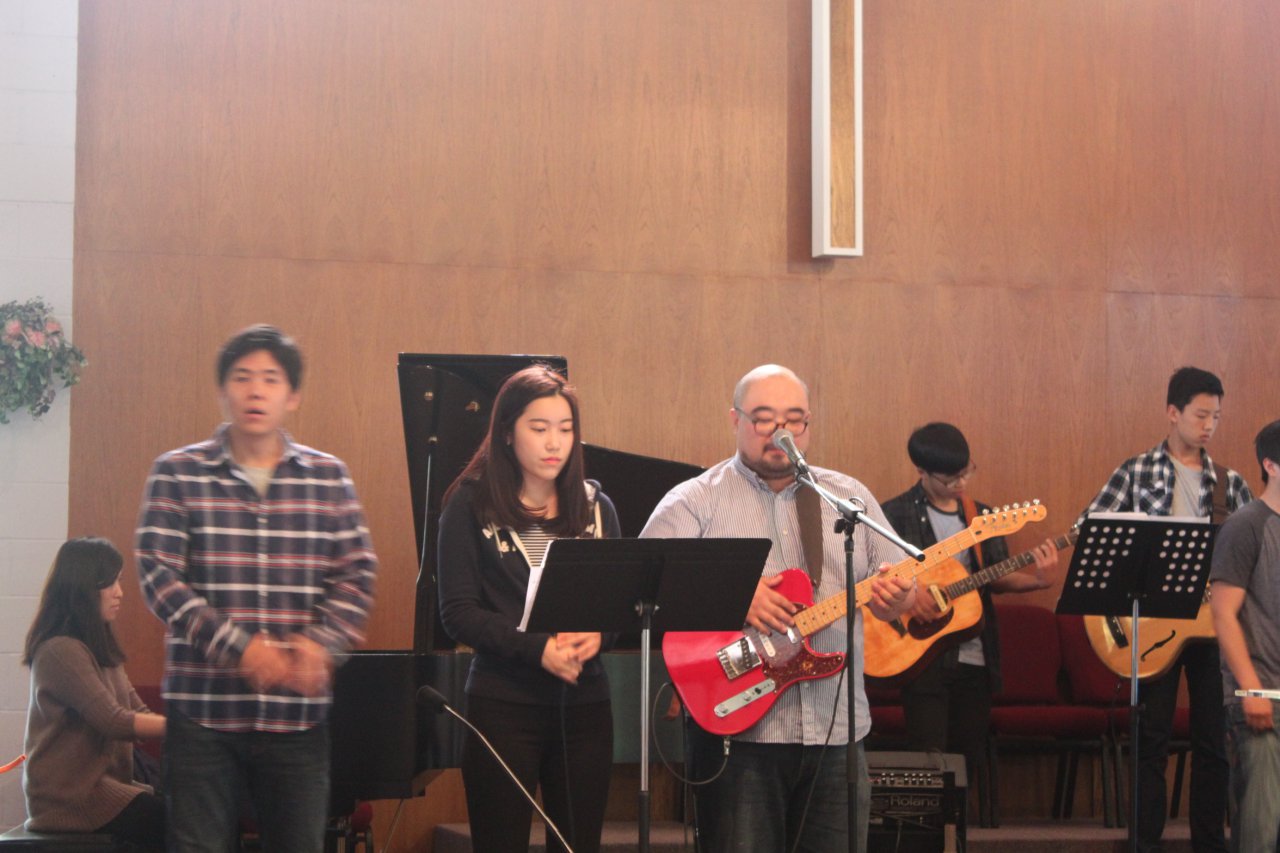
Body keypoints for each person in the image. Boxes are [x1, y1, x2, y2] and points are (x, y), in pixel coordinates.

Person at [640, 363, 916, 853]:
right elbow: (644, 591)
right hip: (740, 736)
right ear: (736, 420)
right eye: (764, 418)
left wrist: (900, 597)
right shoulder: (693, 501)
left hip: (836, 734)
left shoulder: (848, 498)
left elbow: (899, 587)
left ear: (808, 423)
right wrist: (734, 596)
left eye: (794, 420)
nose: (779, 432)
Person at [135, 324, 378, 853]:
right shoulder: (177, 472)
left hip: (297, 717)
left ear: (293, 395)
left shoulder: (327, 477)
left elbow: (357, 574)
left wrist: (323, 643)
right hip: (202, 712)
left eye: (271, 379)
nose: (255, 390)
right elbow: (159, 576)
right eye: (242, 377)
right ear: (223, 390)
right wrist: (239, 648)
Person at [437, 365, 621, 853]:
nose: (554, 443)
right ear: (506, 432)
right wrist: (537, 649)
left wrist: (599, 635)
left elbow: (619, 607)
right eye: (539, 429)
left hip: (585, 706)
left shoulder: (596, 507)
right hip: (503, 704)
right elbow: (458, 612)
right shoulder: (469, 504)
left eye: (565, 429)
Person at [1082, 366, 1252, 853]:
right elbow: (1092, 530)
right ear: (1173, 413)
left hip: (1211, 630)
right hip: (1150, 625)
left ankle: (1208, 844)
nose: (1209, 425)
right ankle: (1145, 842)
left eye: (1216, 417)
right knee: (1151, 737)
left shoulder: (1230, 484)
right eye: (1200, 415)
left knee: (1213, 741)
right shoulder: (1135, 472)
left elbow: (1249, 555)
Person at [880, 422, 1058, 825]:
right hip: (920, 654)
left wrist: (1037, 580)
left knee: (967, 758)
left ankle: (956, 836)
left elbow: (994, 576)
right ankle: (926, 837)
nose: (960, 483)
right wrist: (912, 596)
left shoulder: (983, 517)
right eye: (950, 478)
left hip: (975, 656)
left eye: (966, 472)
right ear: (922, 472)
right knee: (929, 758)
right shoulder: (894, 515)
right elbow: (879, 578)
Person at [22, 537, 166, 851]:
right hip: (70, 799)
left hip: (105, 791)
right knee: (184, 823)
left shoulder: (99, 649)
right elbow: (114, 721)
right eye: (110, 583)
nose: (120, 592)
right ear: (83, 588)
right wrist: (181, 728)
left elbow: (137, 713)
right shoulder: (60, 650)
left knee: (202, 812)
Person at [1210, 419, 1280, 853]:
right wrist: (1251, 689)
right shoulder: (1247, 525)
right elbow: (1223, 613)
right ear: (1271, 465)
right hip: (1263, 699)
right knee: (1260, 831)